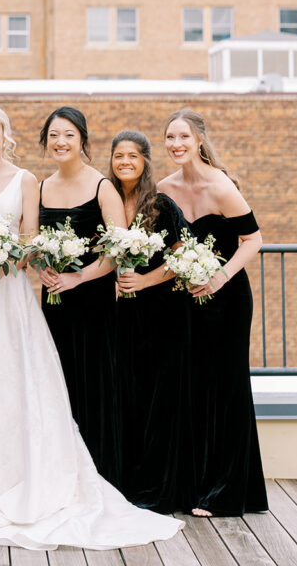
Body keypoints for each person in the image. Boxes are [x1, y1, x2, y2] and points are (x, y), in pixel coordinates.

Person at [0, 104, 182, 551]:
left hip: (9, 294)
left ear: (5, 134)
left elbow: (29, 238)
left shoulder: (26, 180)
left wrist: (0, 264)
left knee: (13, 381)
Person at [159, 108, 268, 517]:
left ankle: (227, 491)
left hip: (227, 299)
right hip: (184, 299)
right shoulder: (164, 188)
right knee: (190, 386)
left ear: (199, 141)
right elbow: (166, 246)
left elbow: (253, 239)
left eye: (184, 137)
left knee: (226, 386)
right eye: (170, 137)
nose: (176, 144)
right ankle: (191, 486)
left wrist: (220, 277)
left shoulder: (220, 185)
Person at [37, 106, 125, 485]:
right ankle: (61, 474)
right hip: (54, 302)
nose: (61, 142)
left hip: (94, 303)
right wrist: (39, 267)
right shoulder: (41, 187)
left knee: (94, 383)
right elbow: (31, 243)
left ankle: (100, 474)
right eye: (54, 135)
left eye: (69, 135)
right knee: (57, 381)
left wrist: (79, 278)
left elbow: (118, 250)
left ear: (83, 140)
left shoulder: (102, 187)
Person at [108, 129, 195, 513]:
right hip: (120, 315)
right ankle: (126, 483)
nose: (125, 162)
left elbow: (184, 257)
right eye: (119, 156)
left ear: (144, 161)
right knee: (126, 395)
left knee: (159, 398)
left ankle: (160, 487)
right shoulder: (105, 201)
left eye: (132, 156)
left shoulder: (160, 204)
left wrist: (144, 281)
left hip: (163, 314)